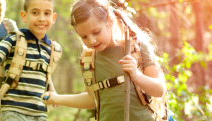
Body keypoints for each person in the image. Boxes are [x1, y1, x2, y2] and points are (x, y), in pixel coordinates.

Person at [40, 0, 169, 120]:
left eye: (96, 32)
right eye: (84, 37)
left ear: (110, 21)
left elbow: (159, 90)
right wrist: (57, 98)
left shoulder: (137, 47)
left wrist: (136, 75)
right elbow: (92, 100)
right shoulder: (88, 59)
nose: (91, 40)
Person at [0, 0, 61, 120]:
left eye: (47, 13)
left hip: (39, 114)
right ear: (24, 16)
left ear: (53, 18)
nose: (42, 18)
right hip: (12, 112)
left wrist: (52, 90)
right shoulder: (15, 39)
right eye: (35, 13)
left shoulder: (51, 49)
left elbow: (45, 75)